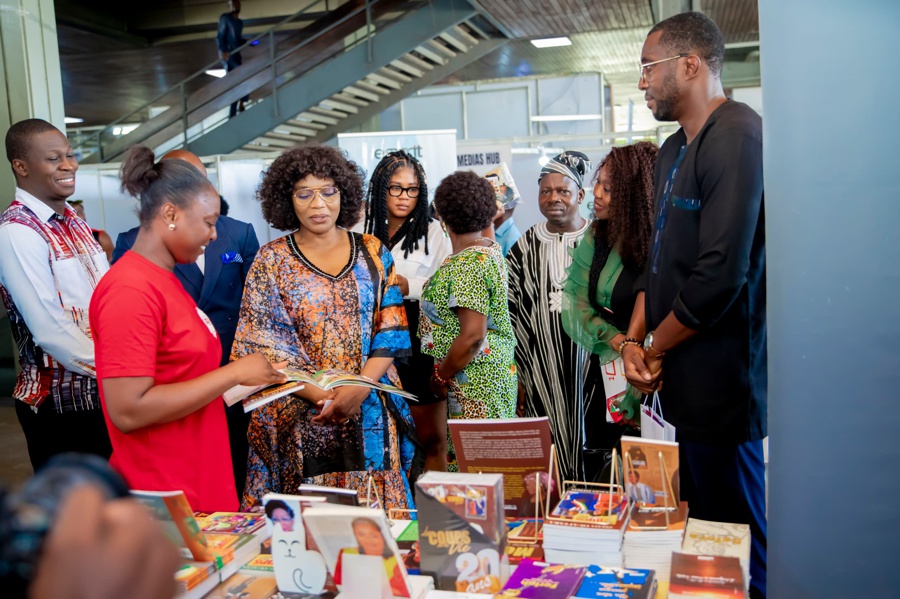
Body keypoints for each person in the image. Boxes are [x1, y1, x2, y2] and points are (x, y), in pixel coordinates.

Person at [623, 12, 767, 598]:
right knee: (700, 546)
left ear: (690, 65)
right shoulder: (671, 150)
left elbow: (720, 273)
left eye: (648, 67)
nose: (642, 82)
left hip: (722, 386)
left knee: (737, 545)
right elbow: (658, 262)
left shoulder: (737, 135)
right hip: (677, 386)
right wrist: (635, 343)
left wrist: (655, 346)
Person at [89, 145, 286, 512]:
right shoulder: (130, 289)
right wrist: (233, 373)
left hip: (199, 479)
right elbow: (128, 410)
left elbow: (181, 375)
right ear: (170, 214)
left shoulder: (164, 280)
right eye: (208, 222)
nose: (214, 235)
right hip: (165, 490)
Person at [232, 145, 419, 511]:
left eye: (328, 192)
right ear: (287, 199)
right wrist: (323, 395)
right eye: (304, 194)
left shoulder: (373, 251)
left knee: (379, 521)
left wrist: (359, 388)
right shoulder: (271, 260)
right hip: (301, 412)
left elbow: (391, 329)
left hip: (370, 408)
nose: (318, 204)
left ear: (343, 194)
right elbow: (261, 345)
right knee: (309, 523)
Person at [0, 118, 112, 471]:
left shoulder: (74, 221)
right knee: (80, 505)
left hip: (107, 397)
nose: (68, 165)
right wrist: (124, 368)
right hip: (62, 407)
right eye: (53, 159)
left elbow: (107, 300)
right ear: (21, 167)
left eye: (70, 155)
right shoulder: (17, 231)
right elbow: (50, 331)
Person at [561, 143, 658, 476]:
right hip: (605, 369)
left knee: (647, 476)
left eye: (609, 188)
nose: (597, 194)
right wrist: (619, 342)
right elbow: (576, 300)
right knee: (604, 470)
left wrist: (636, 354)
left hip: (650, 375)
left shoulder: (657, 244)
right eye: (598, 184)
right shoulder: (598, 235)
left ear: (634, 195)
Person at [507, 151, 602, 483]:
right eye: (545, 191)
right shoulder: (525, 246)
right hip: (541, 369)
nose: (553, 198)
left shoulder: (601, 240)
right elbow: (513, 311)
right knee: (548, 449)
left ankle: (592, 506)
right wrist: (520, 373)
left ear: (580, 195)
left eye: (563, 191)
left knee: (595, 443)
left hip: (593, 367)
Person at [420, 171, 517, 471]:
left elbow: (473, 335)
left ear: (441, 215)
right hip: (489, 377)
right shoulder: (489, 250)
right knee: (489, 468)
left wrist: (440, 377)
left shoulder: (467, 264)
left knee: (476, 473)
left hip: (475, 383)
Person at [363, 150, 452, 472]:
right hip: (370, 336)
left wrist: (408, 285)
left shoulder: (434, 232)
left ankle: (434, 501)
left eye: (412, 189)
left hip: (418, 337)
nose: (404, 196)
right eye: (396, 188)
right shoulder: (359, 229)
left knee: (430, 437)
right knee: (381, 434)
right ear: (380, 188)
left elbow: (447, 284)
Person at [333, 517, 409, 598]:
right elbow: (339, 583)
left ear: (382, 536)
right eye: (361, 535)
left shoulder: (395, 561)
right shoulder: (347, 553)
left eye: (373, 535)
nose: (368, 539)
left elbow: (404, 592)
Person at [217, 0, 250, 118]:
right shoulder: (225, 18)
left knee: (236, 84)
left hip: (236, 54)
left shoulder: (240, 22)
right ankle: (241, 103)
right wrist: (223, 50)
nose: (235, 5)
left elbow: (238, 40)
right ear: (229, 6)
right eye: (232, 3)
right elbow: (220, 36)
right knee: (242, 76)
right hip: (228, 55)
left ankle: (235, 111)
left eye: (237, 2)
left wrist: (248, 42)